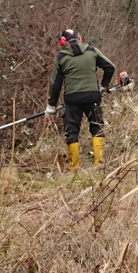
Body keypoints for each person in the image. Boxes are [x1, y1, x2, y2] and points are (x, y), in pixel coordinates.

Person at [45, 28, 115, 169]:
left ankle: (74, 165)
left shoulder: (60, 58)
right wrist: (103, 86)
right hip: (93, 96)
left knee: (72, 131)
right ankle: (99, 164)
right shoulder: (92, 51)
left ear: (62, 42)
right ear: (80, 38)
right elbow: (110, 67)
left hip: (73, 99)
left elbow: (55, 85)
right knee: (97, 127)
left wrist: (51, 106)